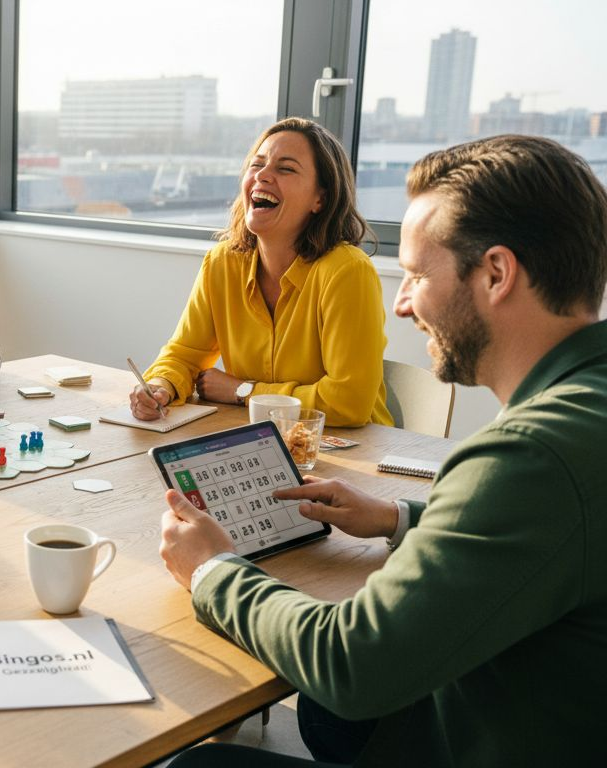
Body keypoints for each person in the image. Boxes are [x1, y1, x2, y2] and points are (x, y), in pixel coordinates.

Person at [163, 135, 607, 767]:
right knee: (327, 713)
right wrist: (401, 518)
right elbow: (554, 531)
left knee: (202, 763)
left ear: (497, 274)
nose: (402, 304)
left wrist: (212, 570)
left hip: (475, 741)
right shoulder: (582, 410)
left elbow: (351, 664)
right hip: (522, 702)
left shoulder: (531, 456)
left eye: (419, 275)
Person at [131, 118, 392, 427]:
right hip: (264, 445)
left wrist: (243, 391)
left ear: (319, 198)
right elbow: (184, 355)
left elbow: (349, 402)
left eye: (286, 169)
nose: (262, 176)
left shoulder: (347, 272)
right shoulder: (222, 262)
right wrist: (161, 386)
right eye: (256, 165)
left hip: (354, 452)